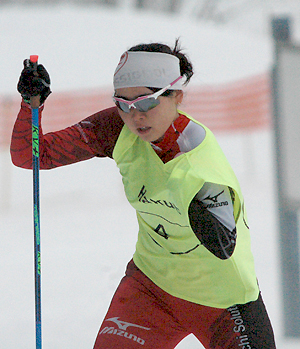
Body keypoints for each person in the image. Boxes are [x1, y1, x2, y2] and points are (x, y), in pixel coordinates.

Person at [11, 39, 276, 349]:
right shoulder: (116, 128)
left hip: (222, 300)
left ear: (177, 95)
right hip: (150, 290)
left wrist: (209, 215)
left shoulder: (200, 168)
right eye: (123, 103)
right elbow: (32, 155)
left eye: (147, 102)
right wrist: (32, 104)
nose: (135, 115)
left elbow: (224, 244)